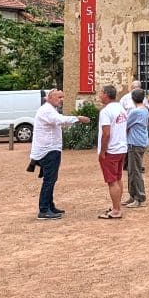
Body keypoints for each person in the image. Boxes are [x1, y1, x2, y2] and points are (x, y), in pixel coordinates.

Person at [30, 89, 91, 220]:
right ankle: (44, 210)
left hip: (50, 149)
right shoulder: (47, 110)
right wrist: (78, 118)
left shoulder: (50, 109)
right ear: (50, 98)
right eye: (59, 97)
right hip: (48, 150)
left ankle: (50, 206)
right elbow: (59, 120)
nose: (62, 99)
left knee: (51, 179)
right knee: (49, 180)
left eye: (62, 97)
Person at [98, 84, 129, 219]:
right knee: (118, 178)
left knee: (112, 181)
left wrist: (103, 151)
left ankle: (116, 210)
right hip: (121, 147)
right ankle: (117, 206)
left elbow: (106, 133)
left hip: (111, 149)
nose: (99, 95)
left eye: (101, 93)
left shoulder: (105, 111)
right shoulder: (121, 108)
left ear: (106, 94)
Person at [123, 89, 149, 208]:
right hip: (139, 142)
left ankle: (139, 197)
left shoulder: (135, 112)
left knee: (135, 171)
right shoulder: (145, 110)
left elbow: (125, 125)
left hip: (135, 143)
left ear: (133, 99)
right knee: (131, 170)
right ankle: (132, 195)